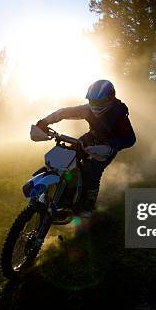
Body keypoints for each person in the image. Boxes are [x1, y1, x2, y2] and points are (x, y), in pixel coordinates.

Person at [36, 79, 136, 216]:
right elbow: (65, 112)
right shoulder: (88, 109)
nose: (95, 106)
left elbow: (130, 139)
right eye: (92, 102)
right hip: (91, 137)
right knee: (65, 158)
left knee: (92, 171)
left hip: (108, 145)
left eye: (99, 102)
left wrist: (112, 148)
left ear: (110, 98)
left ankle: (88, 205)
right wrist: (43, 122)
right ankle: (59, 191)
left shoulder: (119, 114)